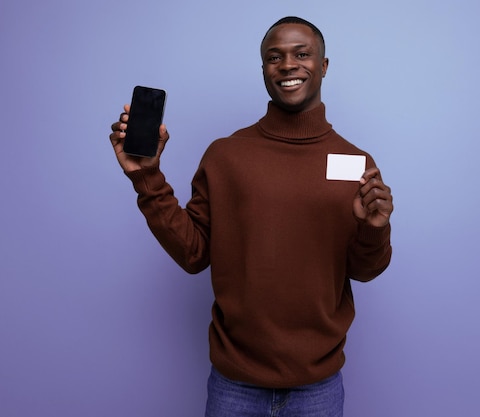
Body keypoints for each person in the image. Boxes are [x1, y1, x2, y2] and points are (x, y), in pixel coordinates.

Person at [109, 16, 393, 417]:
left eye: (302, 54)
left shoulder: (355, 162)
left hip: (318, 388)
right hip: (234, 386)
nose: (288, 65)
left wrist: (375, 229)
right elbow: (193, 254)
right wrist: (146, 178)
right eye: (274, 57)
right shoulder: (226, 155)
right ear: (263, 69)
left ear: (324, 66)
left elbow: (365, 270)